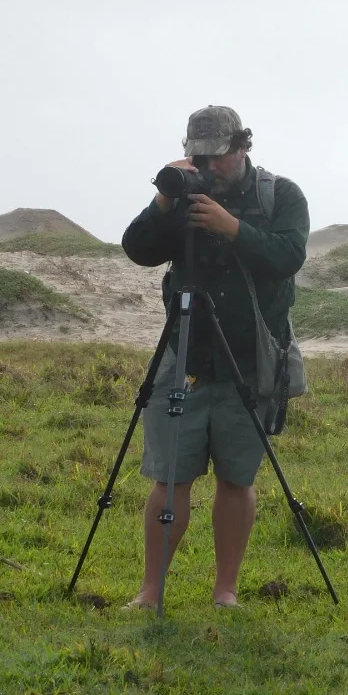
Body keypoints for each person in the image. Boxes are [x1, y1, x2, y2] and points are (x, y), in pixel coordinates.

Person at [120, 105, 309, 608]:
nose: (208, 167)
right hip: (184, 354)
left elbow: (289, 257)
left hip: (250, 360)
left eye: (217, 157)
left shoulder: (280, 195)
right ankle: (150, 590)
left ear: (243, 147)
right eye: (197, 157)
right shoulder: (182, 197)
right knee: (170, 477)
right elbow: (137, 250)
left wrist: (232, 228)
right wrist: (164, 199)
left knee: (236, 476)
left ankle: (225, 590)